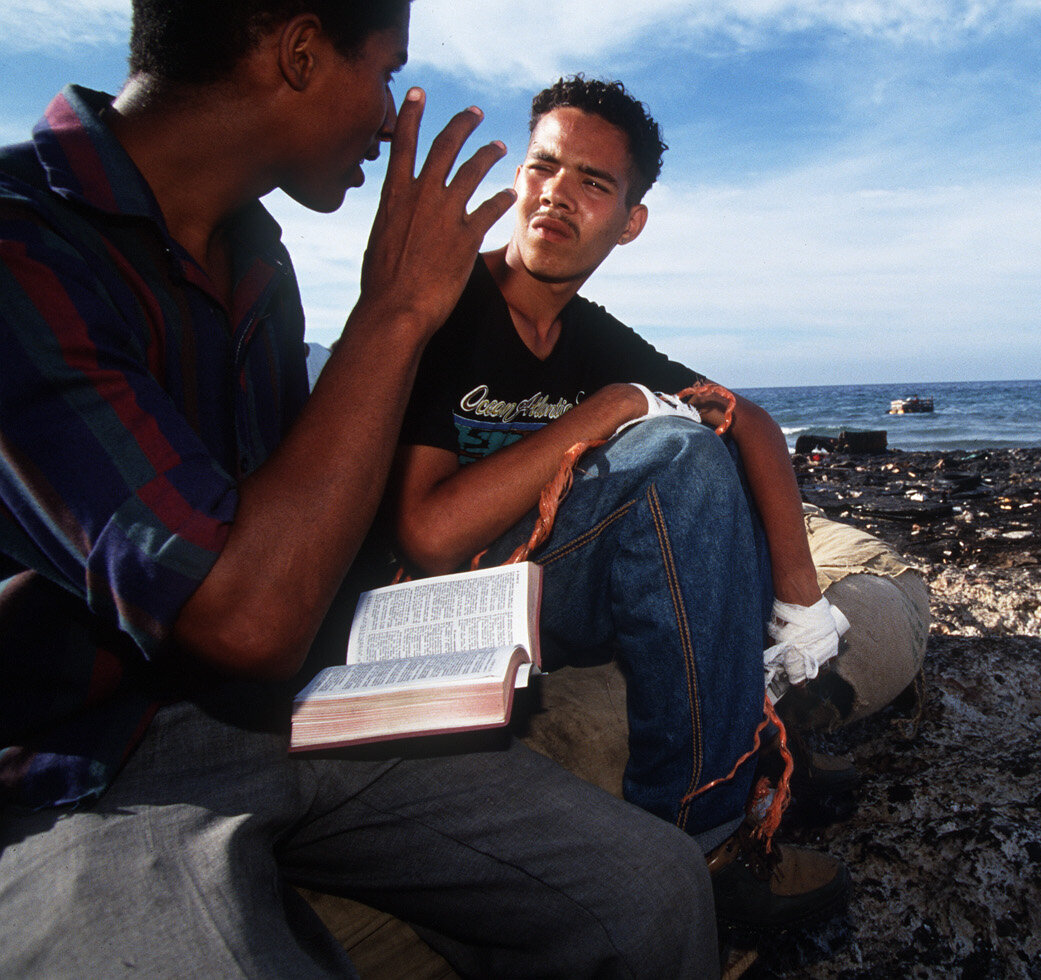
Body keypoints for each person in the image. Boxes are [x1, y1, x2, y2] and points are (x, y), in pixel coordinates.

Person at [0, 4, 723, 976]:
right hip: (81, 765)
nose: (389, 119)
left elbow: (296, 525)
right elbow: (246, 611)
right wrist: (393, 311)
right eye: (386, 73)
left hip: (292, 707)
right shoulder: (24, 249)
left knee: (656, 890)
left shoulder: (255, 255)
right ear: (300, 53)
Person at [387, 76, 860, 928]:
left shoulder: (589, 332)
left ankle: (760, 736)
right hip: (443, 604)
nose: (557, 196)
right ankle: (706, 838)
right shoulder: (449, 306)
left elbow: (747, 419)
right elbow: (426, 536)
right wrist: (613, 409)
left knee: (713, 461)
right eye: (544, 168)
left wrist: (801, 601)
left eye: (594, 184)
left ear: (629, 221)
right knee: (674, 453)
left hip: (550, 586)